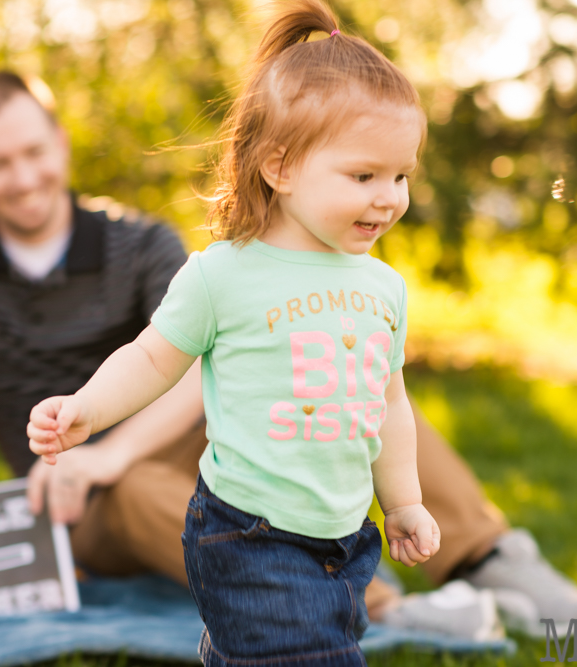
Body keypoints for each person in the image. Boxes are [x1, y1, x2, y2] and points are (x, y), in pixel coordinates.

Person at [0, 71, 577, 641]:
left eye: (34, 150)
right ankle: (381, 607)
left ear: (60, 141)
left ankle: (487, 555)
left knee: (350, 380)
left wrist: (115, 448)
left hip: (178, 434)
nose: (25, 176)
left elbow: (183, 360)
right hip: (79, 497)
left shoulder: (138, 243)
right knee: (140, 490)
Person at [28, 3, 442, 663]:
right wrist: (86, 408)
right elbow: (152, 358)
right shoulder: (224, 273)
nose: (388, 196)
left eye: (400, 176)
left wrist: (406, 501)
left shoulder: (383, 287)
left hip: (344, 535)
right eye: (363, 175)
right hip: (249, 533)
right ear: (279, 167)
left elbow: (388, 403)